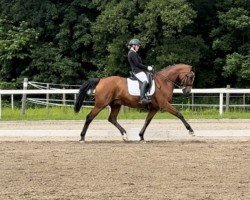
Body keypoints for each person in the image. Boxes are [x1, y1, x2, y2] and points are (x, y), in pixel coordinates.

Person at [127, 38, 153, 104]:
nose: (138, 47)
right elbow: (137, 64)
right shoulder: (132, 53)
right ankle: (142, 98)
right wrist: (147, 67)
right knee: (145, 81)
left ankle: (146, 95)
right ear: (133, 46)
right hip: (137, 71)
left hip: (139, 70)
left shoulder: (134, 53)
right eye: (137, 46)